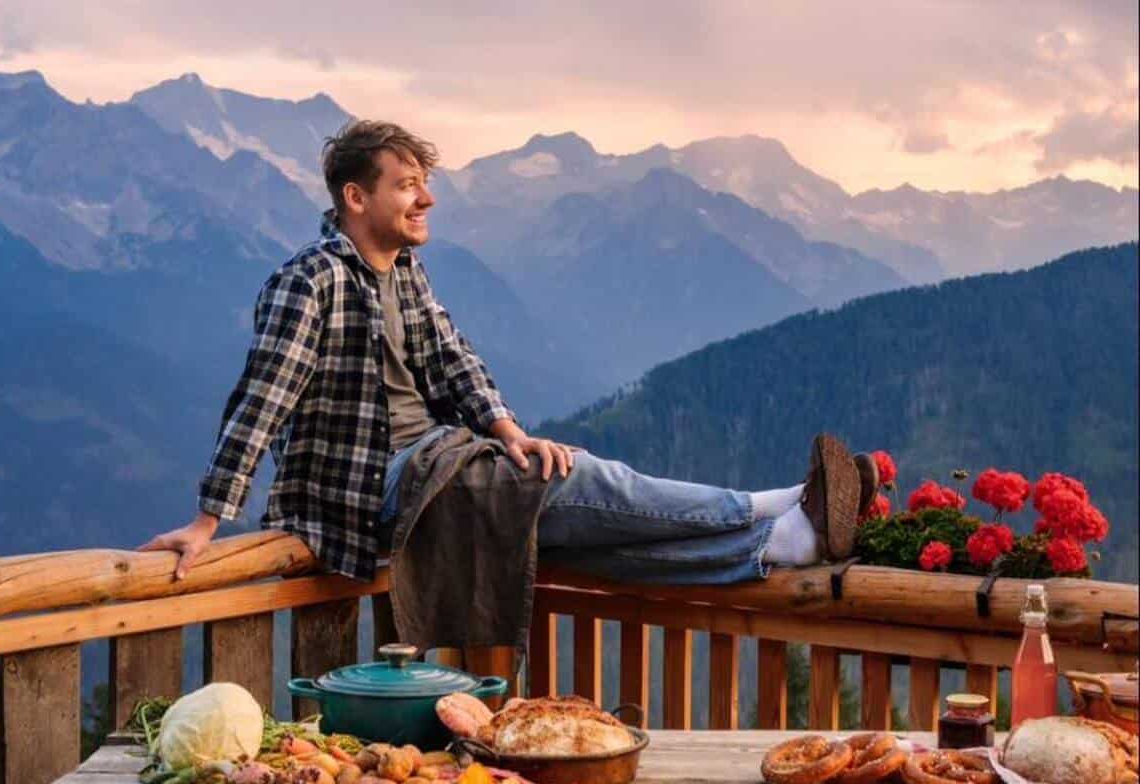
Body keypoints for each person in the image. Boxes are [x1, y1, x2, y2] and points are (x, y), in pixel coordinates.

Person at [139, 120, 876, 587]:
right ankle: (766, 507)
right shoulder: (315, 280)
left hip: (436, 458)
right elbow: (263, 398)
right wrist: (210, 519)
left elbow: (456, 361)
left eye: (425, 185)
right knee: (584, 479)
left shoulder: (406, 274)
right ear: (355, 199)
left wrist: (508, 432)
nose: (424, 200)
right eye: (406, 186)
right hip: (374, 489)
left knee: (583, 538)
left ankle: (775, 544)